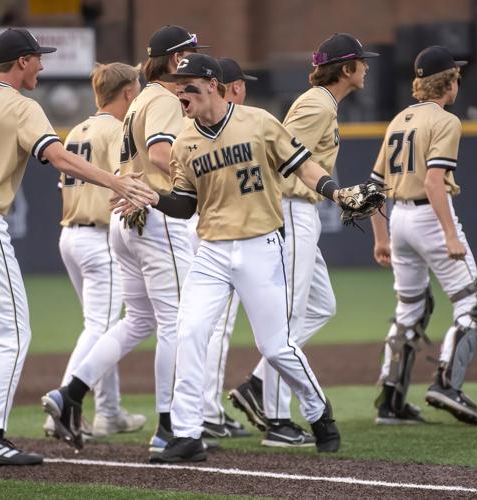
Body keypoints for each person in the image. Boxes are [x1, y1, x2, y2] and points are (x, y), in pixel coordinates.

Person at [0, 28, 151, 466]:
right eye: (38, 58)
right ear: (21, 62)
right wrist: (116, 182)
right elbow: (56, 157)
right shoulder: (22, 106)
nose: (42, 65)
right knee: (13, 336)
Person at [122, 54, 347, 462]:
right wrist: (154, 197)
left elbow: (303, 166)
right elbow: (186, 204)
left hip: (260, 245)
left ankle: (319, 414)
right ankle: (187, 434)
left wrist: (336, 192)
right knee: (189, 333)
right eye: (175, 84)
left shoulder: (258, 122)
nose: (178, 91)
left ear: (212, 84)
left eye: (187, 84)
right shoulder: (184, 141)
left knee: (276, 345)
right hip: (211, 250)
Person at [42, 24, 206, 454]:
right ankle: (169, 427)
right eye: (189, 55)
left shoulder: (139, 101)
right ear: (175, 61)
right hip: (155, 215)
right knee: (175, 323)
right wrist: (204, 179)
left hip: (123, 221)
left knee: (137, 321)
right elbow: (159, 154)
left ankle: (70, 393)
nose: (194, 62)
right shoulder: (166, 98)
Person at [230, 33, 377, 447]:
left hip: (302, 212)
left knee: (320, 305)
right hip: (291, 212)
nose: (367, 68)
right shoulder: (315, 104)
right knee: (289, 317)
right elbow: (276, 154)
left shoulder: (322, 104)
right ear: (346, 69)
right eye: (362, 62)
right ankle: (276, 418)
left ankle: (257, 385)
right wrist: (271, 213)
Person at [369, 46, 477, 426]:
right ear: (448, 82)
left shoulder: (399, 120)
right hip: (429, 217)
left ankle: (390, 402)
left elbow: (374, 185)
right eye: (457, 75)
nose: (459, 81)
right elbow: (435, 182)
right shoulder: (446, 121)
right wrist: (450, 236)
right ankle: (445, 385)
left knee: (410, 308)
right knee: (474, 305)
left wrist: (381, 237)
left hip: (399, 222)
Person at [43, 62, 147, 440]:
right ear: (128, 93)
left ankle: (109, 412)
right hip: (99, 238)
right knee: (101, 327)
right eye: (138, 85)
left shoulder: (77, 130)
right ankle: (61, 404)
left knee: (105, 325)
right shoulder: (119, 130)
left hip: (71, 235)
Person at [195, 57, 256, 441]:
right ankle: (208, 413)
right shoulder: (231, 126)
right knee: (214, 324)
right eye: (242, 84)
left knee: (200, 325)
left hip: (205, 227)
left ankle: (202, 411)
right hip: (214, 231)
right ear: (230, 88)